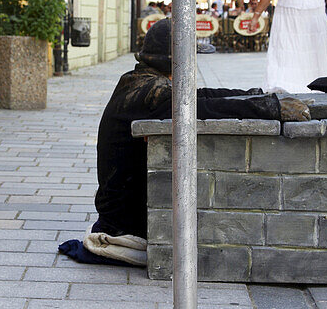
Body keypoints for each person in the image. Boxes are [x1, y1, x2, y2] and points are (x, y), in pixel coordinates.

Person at [75, 17, 309, 261]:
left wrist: (256, 95)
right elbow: (204, 108)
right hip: (125, 221)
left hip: (118, 210)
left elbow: (202, 95)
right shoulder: (153, 93)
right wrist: (267, 108)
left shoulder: (139, 80)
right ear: (177, 62)